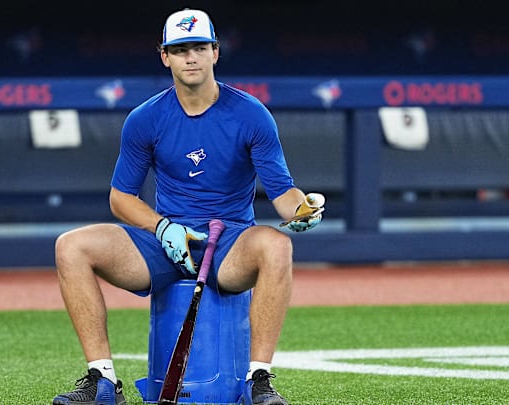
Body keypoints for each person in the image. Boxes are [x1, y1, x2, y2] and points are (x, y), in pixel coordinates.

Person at [52, 8, 325, 405]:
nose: (191, 57)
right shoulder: (145, 118)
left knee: (276, 245)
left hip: (230, 243)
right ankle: (103, 381)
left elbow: (283, 195)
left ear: (216, 51)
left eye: (199, 47)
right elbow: (121, 197)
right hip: (166, 243)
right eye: (180, 50)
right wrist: (162, 227)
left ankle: (258, 381)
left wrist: (304, 210)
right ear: (165, 56)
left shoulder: (251, 114)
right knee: (71, 246)